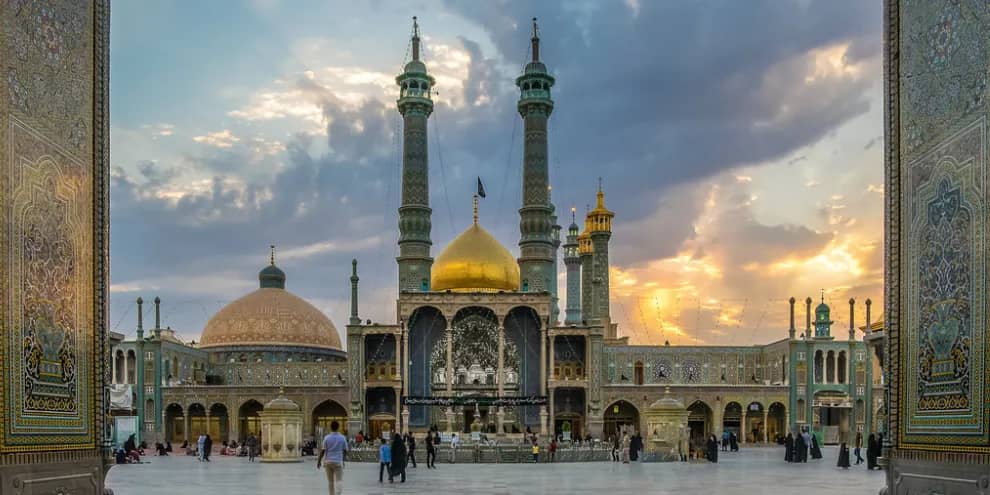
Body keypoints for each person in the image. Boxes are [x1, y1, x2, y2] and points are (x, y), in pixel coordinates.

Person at [317, 420, 348, 495]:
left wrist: (319, 461)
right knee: (339, 480)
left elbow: (323, 450)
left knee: (330, 481)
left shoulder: (327, 438)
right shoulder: (342, 438)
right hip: (338, 461)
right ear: (338, 427)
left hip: (328, 461)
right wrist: (343, 460)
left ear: (330, 427)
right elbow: (345, 450)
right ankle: (338, 493)